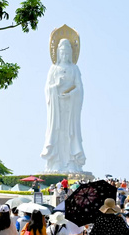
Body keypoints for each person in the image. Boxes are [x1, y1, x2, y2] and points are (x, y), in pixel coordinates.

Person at [41, 37, 86, 172]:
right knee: (57, 132)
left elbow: (80, 88)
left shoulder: (74, 69)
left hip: (71, 108)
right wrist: (56, 86)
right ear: (58, 54)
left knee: (70, 133)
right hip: (57, 107)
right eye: (63, 53)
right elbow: (47, 89)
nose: (65, 56)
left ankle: (72, 162)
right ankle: (56, 162)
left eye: (67, 53)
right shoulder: (53, 69)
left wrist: (72, 94)